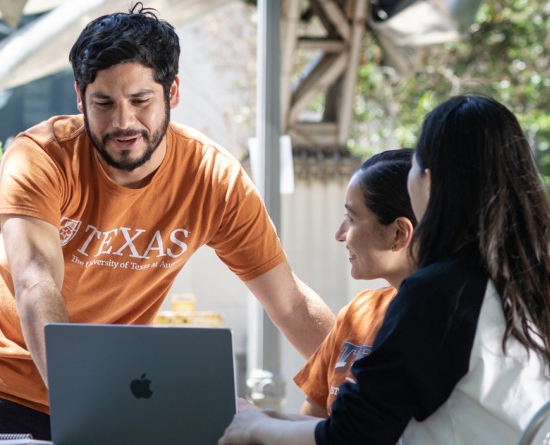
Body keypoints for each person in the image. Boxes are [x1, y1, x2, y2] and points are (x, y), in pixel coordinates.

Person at [0, 2, 335, 438]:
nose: (123, 122)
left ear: (172, 94)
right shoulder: (40, 155)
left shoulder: (214, 179)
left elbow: (289, 302)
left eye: (140, 100)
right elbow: (37, 283)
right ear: (80, 97)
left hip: (112, 389)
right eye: (103, 102)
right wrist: (79, 400)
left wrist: (360, 389)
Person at [219, 94, 550, 444]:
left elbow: (353, 434)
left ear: (429, 180)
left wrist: (254, 428)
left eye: (413, 167)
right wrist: (263, 418)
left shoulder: (440, 293)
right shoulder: (524, 281)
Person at [294, 148, 416, 419]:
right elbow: (309, 421)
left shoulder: (440, 328)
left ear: (398, 233)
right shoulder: (357, 312)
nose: (340, 234)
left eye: (351, 218)